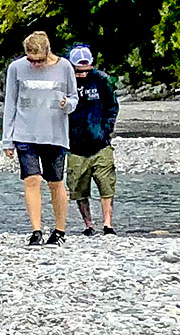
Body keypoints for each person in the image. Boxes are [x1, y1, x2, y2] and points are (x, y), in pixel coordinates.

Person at [1, 31, 77, 246]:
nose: (34, 64)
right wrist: (8, 140)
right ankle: (36, 230)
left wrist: (67, 104)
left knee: (55, 182)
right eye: (30, 60)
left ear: (48, 52)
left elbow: (74, 98)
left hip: (54, 134)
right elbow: (11, 104)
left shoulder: (64, 67)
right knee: (31, 179)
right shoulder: (16, 68)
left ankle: (59, 230)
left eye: (39, 61)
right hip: (24, 132)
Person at [65, 44, 119, 236]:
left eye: (85, 70)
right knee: (78, 189)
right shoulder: (64, 81)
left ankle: (108, 224)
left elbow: (112, 107)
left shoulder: (101, 80)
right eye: (78, 71)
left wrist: (106, 131)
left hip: (101, 144)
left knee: (107, 185)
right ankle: (88, 225)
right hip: (74, 146)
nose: (81, 74)